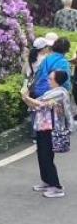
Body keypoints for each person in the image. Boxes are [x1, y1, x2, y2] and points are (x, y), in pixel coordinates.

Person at [20, 70, 74, 198]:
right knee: (42, 155)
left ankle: (56, 187)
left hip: (52, 129)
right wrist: (26, 98)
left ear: (57, 80)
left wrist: (26, 97)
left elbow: (40, 102)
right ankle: (47, 181)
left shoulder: (60, 93)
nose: (48, 80)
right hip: (43, 127)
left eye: (50, 79)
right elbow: (34, 105)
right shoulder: (51, 92)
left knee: (46, 156)